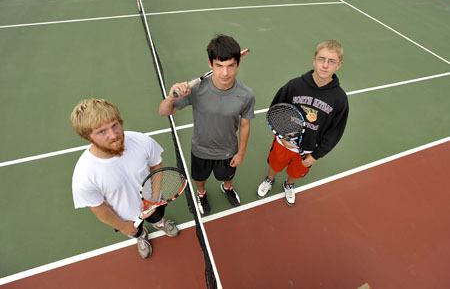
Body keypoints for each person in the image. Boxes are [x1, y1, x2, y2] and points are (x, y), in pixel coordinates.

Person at [70, 98, 179, 259]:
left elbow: (156, 166)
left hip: (153, 201)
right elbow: (98, 208)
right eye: (102, 131)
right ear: (88, 137)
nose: (114, 135)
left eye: (115, 125)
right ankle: (141, 237)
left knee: (157, 216)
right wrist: (122, 226)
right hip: (126, 217)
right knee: (136, 231)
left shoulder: (141, 141)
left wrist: (155, 199)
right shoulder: (84, 176)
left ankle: (160, 223)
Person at [159, 34, 255, 215]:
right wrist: (171, 96)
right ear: (210, 64)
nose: (225, 73)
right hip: (200, 149)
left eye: (230, 66)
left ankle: (227, 188)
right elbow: (164, 111)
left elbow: (244, 126)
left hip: (228, 150)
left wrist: (241, 153)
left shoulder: (246, 94)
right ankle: (201, 194)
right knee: (200, 178)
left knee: (227, 177)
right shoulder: (196, 90)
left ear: (238, 64)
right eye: (219, 66)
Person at [257, 39, 349, 206]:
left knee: (297, 171)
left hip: (309, 149)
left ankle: (289, 184)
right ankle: (269, 179)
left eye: (331, 61)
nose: (325, 65)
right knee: (275, 164)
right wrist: (282, 134)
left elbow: (335, 132)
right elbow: (276, 109)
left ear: (339, 65)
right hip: (284, 142)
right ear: (314, 60)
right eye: (321, 59)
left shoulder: (340, 99)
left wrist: (315, 155)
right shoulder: (294, 86)